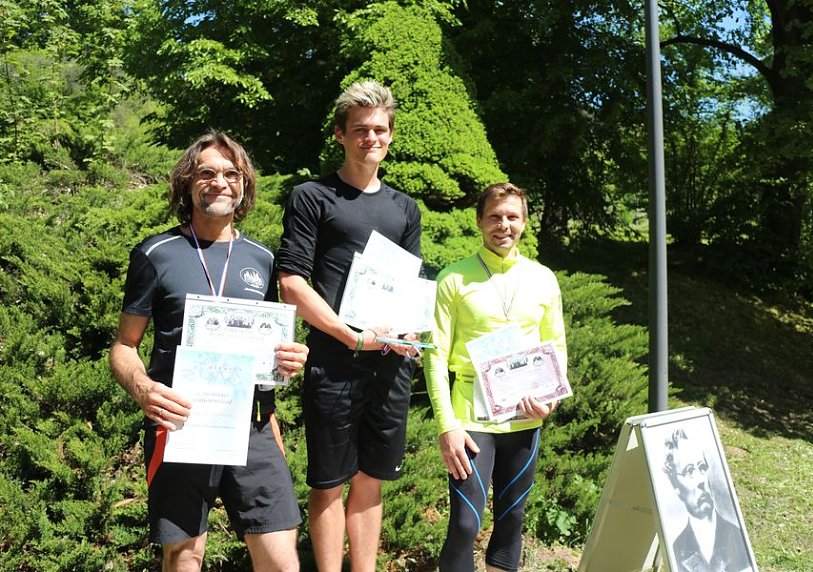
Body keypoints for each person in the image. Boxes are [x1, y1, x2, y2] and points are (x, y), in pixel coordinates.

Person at [109, 132, 308, 572]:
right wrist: (144, 389)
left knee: (281, 559)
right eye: (207, 173)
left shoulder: (262, 259)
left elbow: (268, 350)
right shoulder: (155, 254)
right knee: (185, 555)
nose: (220, 182)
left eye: (231, 173)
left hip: (253, 427)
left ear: (244, 184)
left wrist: (288, 360)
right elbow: (124, 346)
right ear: (187, 182)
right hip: (180, 422)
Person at [276, 80, 421, 572]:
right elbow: (292, 284)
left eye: (379, 129)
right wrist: (349, 336)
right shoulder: (312, 197)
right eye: (360, 129)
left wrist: (408, 331)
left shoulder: (405, 208)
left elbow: (409, 286)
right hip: (334, 361)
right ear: (340, 134)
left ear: (391, 135)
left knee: (371, 480)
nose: (370, 138)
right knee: (328, 483)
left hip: (388, 364)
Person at [424, 183, 568, 571]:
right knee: (465, 524)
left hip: (524, 416)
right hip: (470, 419)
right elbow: (435, 357)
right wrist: (446, 425)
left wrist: (551, 400)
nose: (503, 225)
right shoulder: (453, 279)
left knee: (511, 519)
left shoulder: (543, 278)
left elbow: (556, 346)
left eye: (512, 217)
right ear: (479, 221)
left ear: (524, 222)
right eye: (494, 216)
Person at [663, 428, 753, 572]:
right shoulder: (677, 549)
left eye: (702, 467)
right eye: (689, 471)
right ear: (676, 486)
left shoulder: (736, 535)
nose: (701, 480)